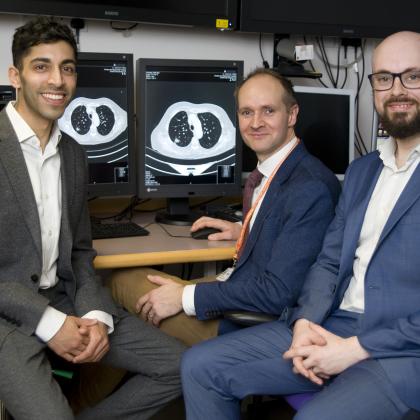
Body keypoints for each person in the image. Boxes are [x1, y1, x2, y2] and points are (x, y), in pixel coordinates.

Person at [180, 31, 420, 420]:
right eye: (384, 78)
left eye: (412, 76)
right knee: (201, 367)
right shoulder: (363, 172)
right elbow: (327, 262)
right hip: (332, 324)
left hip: (401, 351)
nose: (397, 89)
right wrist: (306, 322)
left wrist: (356, 347)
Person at [0, 17, 185, 420]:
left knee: (182, 369)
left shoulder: (74, 154)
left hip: (65, 300)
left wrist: (95, 316)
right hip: (6, 316)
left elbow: (81, 251)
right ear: (15, 75)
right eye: (42, 66)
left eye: (67, 68)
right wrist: (50, 323)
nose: (58, 80)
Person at [110, 68, 341, 346]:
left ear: (291, 114)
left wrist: (185, 297)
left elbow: (278, 292)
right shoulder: (279, 172)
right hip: (238, 294)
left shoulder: (310, 187)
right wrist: (244, 229)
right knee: (139, 309)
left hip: (249, 322)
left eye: (268, 111)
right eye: (246, 112)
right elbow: (291, 231)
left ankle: (169, 373)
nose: (255, 123)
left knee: (122, 283)